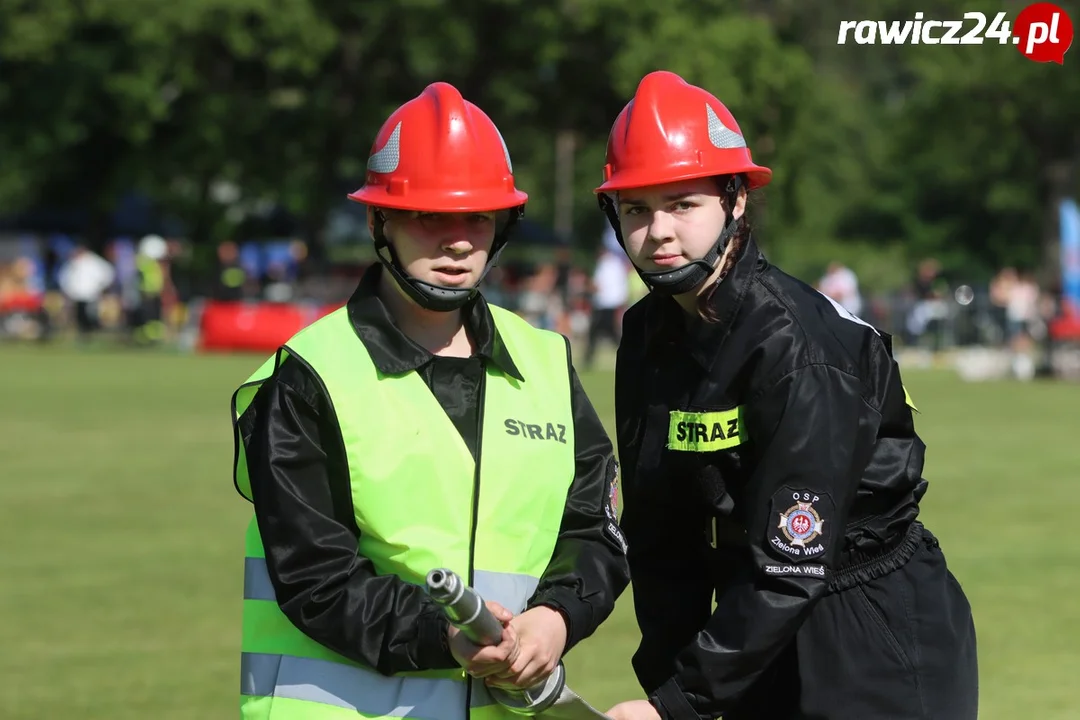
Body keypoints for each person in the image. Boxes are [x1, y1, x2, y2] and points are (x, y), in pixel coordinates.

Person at [230, 81, 630, 720]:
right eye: (429, 215)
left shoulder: (548, 363)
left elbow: (594, 530)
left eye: (476, 215)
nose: (457, 241)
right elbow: (316, 578)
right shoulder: (308, 376)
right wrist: (441, 636)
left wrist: (556, 619)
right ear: (377, 219)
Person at [595, 71, 978, 720]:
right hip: (753, 623)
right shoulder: (645, 336)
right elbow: (661, 537)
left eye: (682, 204)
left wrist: (679, 703)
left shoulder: (796, 345)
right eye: (636, 208)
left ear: (735, 200)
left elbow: (792, 561)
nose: (658, 231)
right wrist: (667, 682)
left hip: (866, 625)